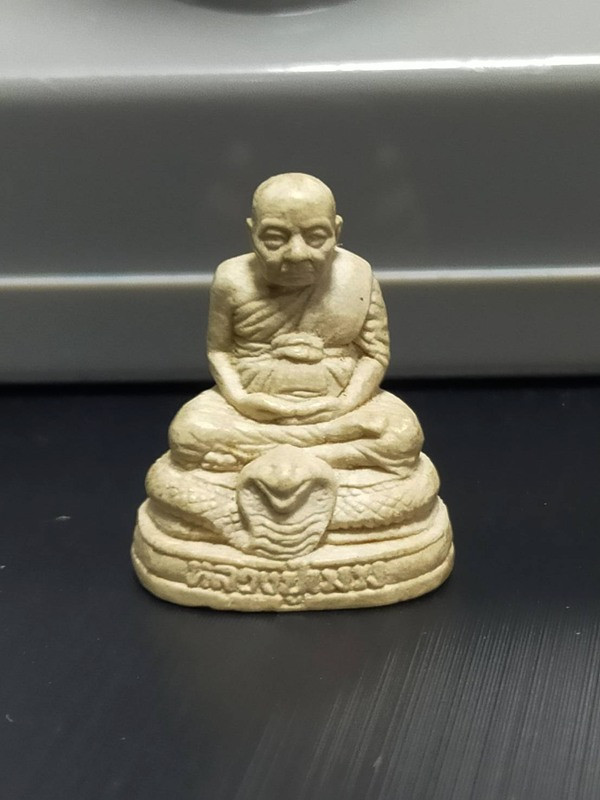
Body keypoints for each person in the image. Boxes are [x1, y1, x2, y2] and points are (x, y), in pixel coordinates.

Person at [169, 173, 423, 474]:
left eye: (316, 237)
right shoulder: (232, 279)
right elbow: (219, 351)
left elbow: (375, 354)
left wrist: (345, 404)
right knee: (188, 432)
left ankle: (257, 459)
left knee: (403, 435)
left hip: (336, 409)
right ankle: (332, 458)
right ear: (252, 233)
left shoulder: (358, 276)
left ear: (336, 231)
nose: (297, 254)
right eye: (275, 239)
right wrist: (241, 399)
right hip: (255, 411)